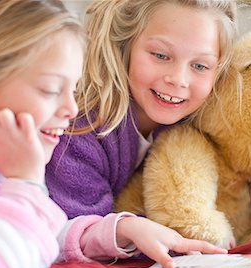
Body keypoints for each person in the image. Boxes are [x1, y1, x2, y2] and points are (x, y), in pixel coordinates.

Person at [0, 0, 226, 268]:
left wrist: (122, 229)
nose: (71, 110)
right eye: (50, 89)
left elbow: (30, 237)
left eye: (72, 89)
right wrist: (23, 181)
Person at [45, 1, 239, 217]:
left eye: (200, 66)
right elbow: (83, 230)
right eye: (161, 55)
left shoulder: (203, 132)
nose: (178, 80)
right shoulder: (78, 131)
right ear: (126, 45)